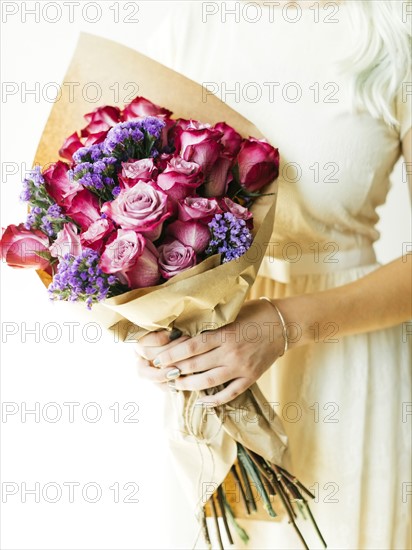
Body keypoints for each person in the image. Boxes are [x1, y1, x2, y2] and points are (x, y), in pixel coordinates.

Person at [135, 1, 412, 548]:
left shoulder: (391, 32)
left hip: (349, 359)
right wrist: (154, 329)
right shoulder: (188, 30)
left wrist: (284, 325)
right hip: (210, 369)